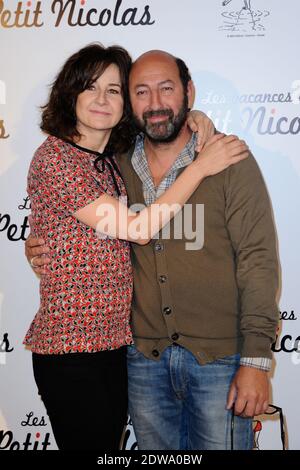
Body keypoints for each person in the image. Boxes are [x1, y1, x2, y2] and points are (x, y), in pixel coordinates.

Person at [24, 44, 249, 451]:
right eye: (90, 87)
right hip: (71, 351)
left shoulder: (109, 158)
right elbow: (138, 229)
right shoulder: (55, 159)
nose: (101, 99)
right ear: (69, 94)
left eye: (113, 90)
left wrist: (197, 119)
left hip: (116, 347)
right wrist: (201, 167)